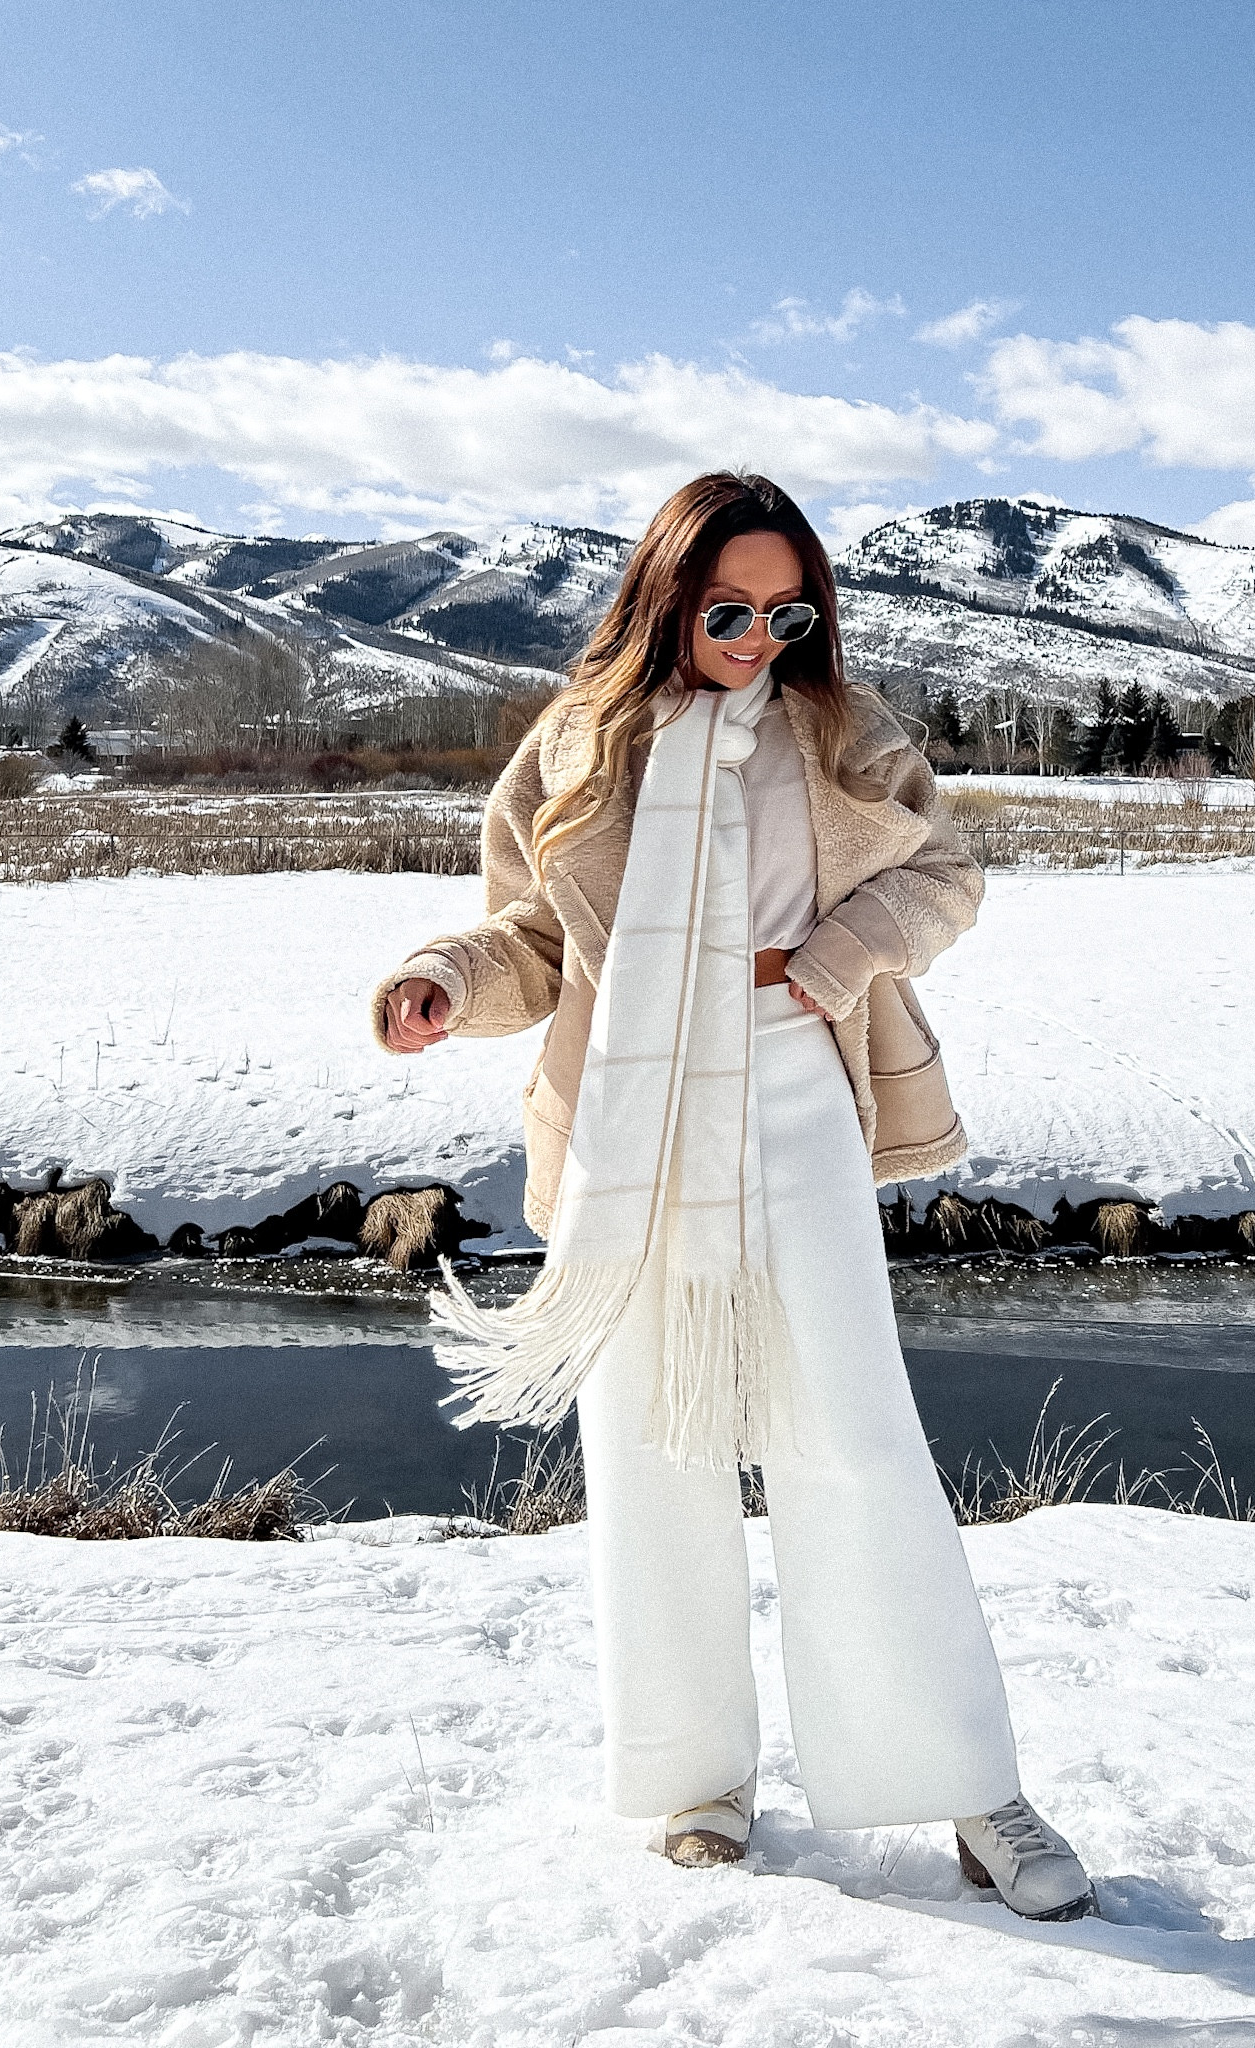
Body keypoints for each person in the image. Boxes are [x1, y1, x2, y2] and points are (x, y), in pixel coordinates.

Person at [372, 471, 1095, 1921]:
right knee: (649, 1442)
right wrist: (448, 978)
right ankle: (696, 1774)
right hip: (628, 1118)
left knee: (851, 1430)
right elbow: (536, 937)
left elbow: (944, 879)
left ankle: (962, 1781)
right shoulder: (576, 744)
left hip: (793, 1092)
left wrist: (833, 959)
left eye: (790, 607)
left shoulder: (844, 730)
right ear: (663, 598)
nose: (762, 634)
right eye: (729, 609)